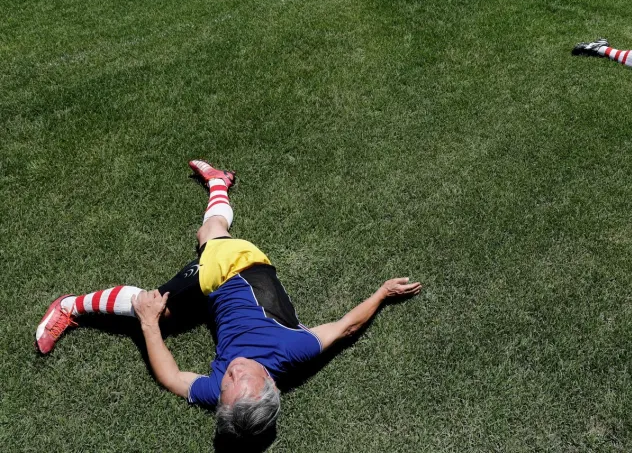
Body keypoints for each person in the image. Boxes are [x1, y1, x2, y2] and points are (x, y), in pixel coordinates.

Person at [35, 160, 421, 440]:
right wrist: (382, 293)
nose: (231, 372)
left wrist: (152, 329)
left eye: (227, 383)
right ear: (268, 382)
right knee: (151, 301)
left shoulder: (228, 395)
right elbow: (346, 327)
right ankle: (69, 306)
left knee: (209, 231)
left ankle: (219, 183)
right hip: (237, 267)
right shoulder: (293, 349)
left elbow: (172, 378)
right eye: (240, 377)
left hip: (223, 285)